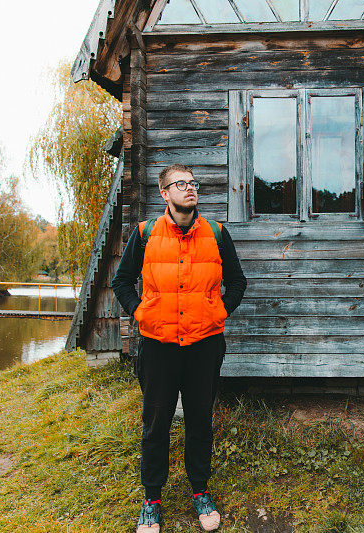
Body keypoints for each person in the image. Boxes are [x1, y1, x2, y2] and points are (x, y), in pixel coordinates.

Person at [112, 163, 247, 532]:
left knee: (200, 422)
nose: (190, 188)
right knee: (155, 424)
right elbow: (121, 281)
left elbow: (237, 282)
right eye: (181, 183)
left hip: (204, 345)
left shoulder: (218, 234)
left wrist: (218, 311)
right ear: (164, 193)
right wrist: (142, 312)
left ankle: (200, 491)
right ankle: (152, 499)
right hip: (158, 346)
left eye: (193, 183)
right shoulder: (145, 233)